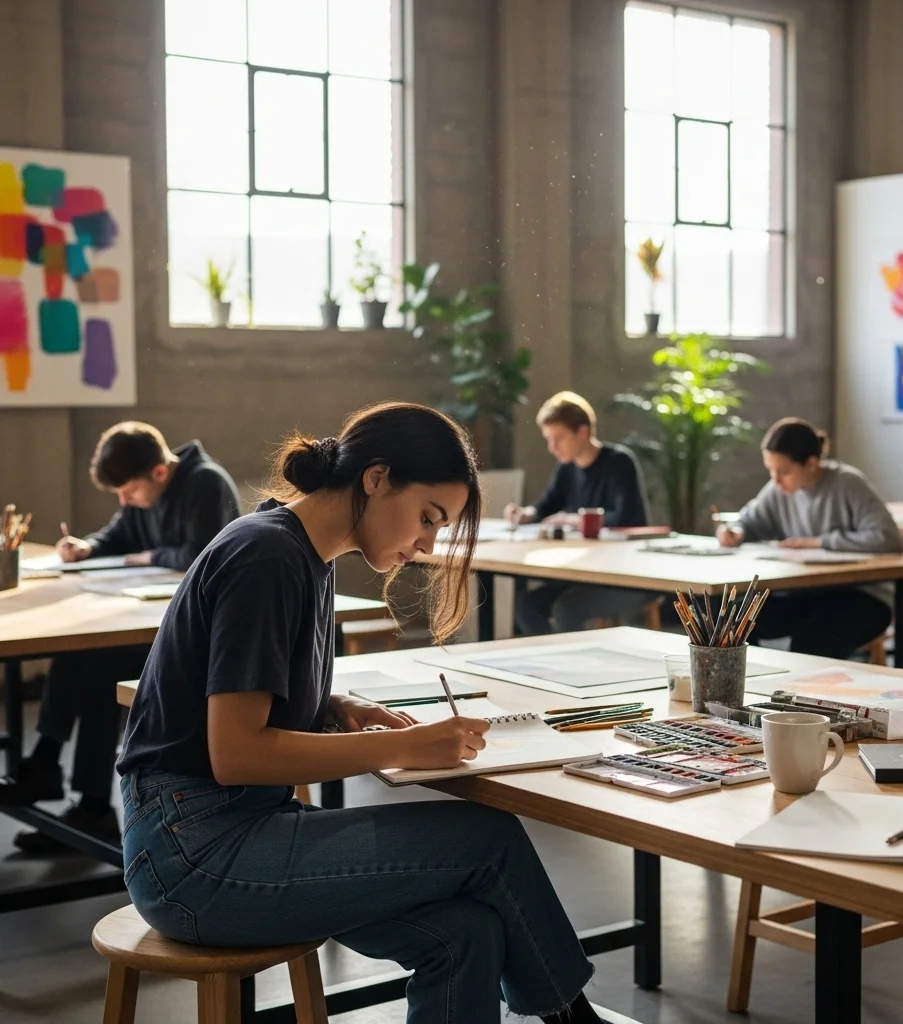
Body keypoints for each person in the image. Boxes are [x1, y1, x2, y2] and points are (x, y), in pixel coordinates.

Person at [114, 402, 602, 1024]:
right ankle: (573, 1019)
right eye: (428, 517)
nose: (427, 543)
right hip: (193, 858)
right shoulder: (266, 557)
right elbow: (236, 753)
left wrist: (339, 707)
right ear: (376, 478)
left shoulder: (301, 555)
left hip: (230, 832)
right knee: (490, 839)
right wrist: (402, 747)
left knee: (466, 933)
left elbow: (254, 702)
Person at [0, 422, 241, 854]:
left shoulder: (206, 483)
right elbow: (119, 534)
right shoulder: (144, 490)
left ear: (159, 474)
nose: (125, 501)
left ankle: (79, 795)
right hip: (153, 620)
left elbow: (201, 555)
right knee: (78, 647)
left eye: (128, 492)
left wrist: (143, 556)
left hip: (201, 636)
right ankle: (55, 771)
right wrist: (87, 548)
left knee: (98, 662)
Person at [716, 417, 903, 659]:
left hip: (861, 596)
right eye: (770, 470)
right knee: (733, 618)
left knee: (815, 637)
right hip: (803, 593)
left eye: (783, 471)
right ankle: (749, 681)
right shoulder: (778, 490)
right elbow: (748, 522)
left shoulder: (847, 483)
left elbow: (888, 538)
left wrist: (820, 542)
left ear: (811, 463)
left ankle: (799, 692)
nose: (775, 479)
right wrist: (733, 532)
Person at [504, 391, 652, 634]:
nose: (552, 447)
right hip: (584, 573)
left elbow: (629, 518)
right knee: (526, 605)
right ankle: (553, 665)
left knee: (566, 609)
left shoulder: (619, 462)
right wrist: (525, 514)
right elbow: (545, 506)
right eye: (548, 440)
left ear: (582, 431)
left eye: (558, 438)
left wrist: (573, 519)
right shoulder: (567, 468)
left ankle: (569, 667)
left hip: (624, 577)